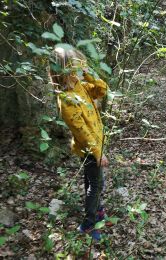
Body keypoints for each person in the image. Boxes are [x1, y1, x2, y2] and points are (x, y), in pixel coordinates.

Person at [50, 46, 109, 241]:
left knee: (92, 181)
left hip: (96, 143)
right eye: (75, 64)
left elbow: (101, 90)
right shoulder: (66, 97)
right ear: (64, 69)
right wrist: (98, 153)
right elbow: (80, 129)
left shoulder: (79, 85)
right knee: (97, 184)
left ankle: (97, 211)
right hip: (90, 147)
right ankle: (89, 224)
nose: (79, 67)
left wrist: (88, 74)